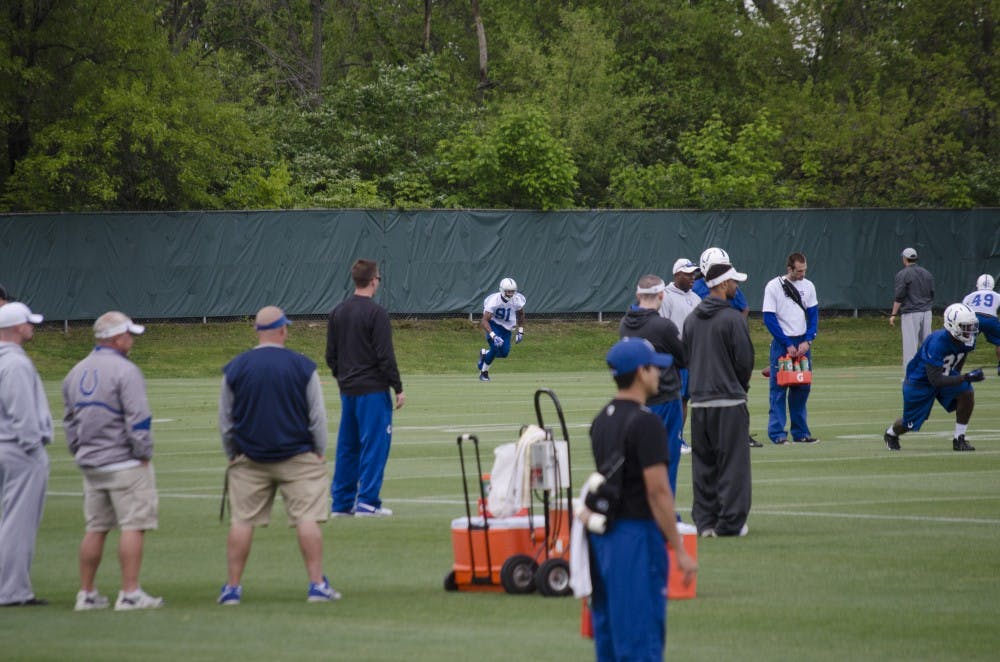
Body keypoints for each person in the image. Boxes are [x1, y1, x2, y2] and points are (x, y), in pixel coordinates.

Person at [586, 337, 697, 660]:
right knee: (640, 633)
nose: (660, 374)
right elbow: (658, 490)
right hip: (636, 535)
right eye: (654, 368)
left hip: (604, 538)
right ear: (639, 372)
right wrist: (679, 548)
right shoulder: (647, 422)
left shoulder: (600, 420)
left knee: (610, 633)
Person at [218, 306, 338, 604]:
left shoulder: (236, 367)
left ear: (257, 331)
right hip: (298, 456)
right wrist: (319, 452)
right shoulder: (302, 366)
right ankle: (315, 584)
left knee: (242, 521)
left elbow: (225, 419)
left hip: (249, 457)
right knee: (307, 518)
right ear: (283, 329)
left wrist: (232, 452)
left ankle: (232, 588)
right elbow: (317, 418)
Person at [62, 311, 164, 611]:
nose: (131, 340)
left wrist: (80, 451)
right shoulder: (126, 371)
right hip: (124, 462)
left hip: (91, 463)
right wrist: (143, 453)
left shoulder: (75, 371)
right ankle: (130, 592)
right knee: (133, 525)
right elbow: (139, 418)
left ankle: (87, 593)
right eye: (128, 335)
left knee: (95, 528)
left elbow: (69, 422)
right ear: (117, 338)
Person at [326, 260, 404, 517]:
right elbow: (385, 355)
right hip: (372, 390)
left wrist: (343, 378)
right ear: (373, 280)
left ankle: (341, 503)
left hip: (348, 390)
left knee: (347, 447)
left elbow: (331, 355)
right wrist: (397, 387)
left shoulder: (338, 311)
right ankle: (368, 502)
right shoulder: (376, 313)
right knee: (374, 445)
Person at [683, 263, 754, 537]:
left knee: (703, 467)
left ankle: (705, 522)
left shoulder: (691, 319)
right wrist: (738, 386)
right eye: (734, 282)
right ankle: (731, 522)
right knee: (733, 466)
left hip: (700, 404)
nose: (737, 286)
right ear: (722, 285)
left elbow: (687, 356)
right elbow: (744, 361)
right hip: (729, 403)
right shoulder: (733, 319)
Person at [0, 302, 53, 607]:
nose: (32, 326)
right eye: (28, 322)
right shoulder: (16, 364)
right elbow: (22, 413)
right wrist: (33, 446)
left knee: (10, 520)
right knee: (18, 523)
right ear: (18, 327)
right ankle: (13, 590)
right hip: (19, 449)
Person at [620, 274, 686, 501]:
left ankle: (642, 509)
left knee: (640, 459)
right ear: (661, 295)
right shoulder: (664, 326)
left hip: (636, 399)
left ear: (638, 295)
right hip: (665, 397)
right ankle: (665, 512)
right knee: (667, 458)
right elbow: (684, 357)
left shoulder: (625, 324)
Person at [884, 303, 983, 452]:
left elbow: (961, 355)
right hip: (920, 382)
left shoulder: (968, 339)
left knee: (966, 392)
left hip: (944, 374)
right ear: (952, 325)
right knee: (910, 423)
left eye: (971, 326)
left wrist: (957, 375)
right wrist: (964, 377)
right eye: (965, 326)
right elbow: (935, 380)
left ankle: (959, 438)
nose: (970, 331)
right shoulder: (937, 342)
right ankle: (891, 433)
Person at [762, 252, 820, 445]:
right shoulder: (774, 286)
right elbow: (769, 318)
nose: (803, 274)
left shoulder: (809, 286)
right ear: (790, 269)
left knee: (802, 388)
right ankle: (777, 433)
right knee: (779, 390)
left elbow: (813, 316)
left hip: (802, 342)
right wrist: (787, 343)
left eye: (805, 270)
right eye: (799, 271)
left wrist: (808, 340)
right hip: (782, 344)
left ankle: (801, 432)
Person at [659, 258, 701, 455]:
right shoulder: (666, 296)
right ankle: (668, 439)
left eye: (693, 274)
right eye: (687, 274)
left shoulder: (696, 298)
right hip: (673, 358)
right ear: (677, 275)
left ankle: (677, 437)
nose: (692, 277)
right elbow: (662, 328)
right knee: (672, 399)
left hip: (691, 358)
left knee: (684, 399)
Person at [890, 247, 935, 371]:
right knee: (927, 344)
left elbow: (899, 296)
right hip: (927, 312)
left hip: (911, 313)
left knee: (910, 346)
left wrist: (893, 314)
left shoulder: (903, 274)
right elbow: (932, 293)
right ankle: (930, 372)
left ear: (905, 259)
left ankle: (910, 376)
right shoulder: (927, 273)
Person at [476, 277, 526, 382]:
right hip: (494, 325)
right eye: (508, 291)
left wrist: (520, 331)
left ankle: (485, 353)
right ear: (502, 290)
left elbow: (521, 315)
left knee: (504, 353)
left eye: (513, 291)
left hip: (507, 328)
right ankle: (484, 373)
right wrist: (493, 335)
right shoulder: (494, 301)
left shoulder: (516, 300)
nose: (511, 294)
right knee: (495, 346)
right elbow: (484, 321)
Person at [692, 247, 750, 319]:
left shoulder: (729, 285)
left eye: (725, 266)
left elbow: (744, 308)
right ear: (705, 267)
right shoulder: (695, 289)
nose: (722, 270)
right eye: (718, 267)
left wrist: (739, 324)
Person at [961, 274, 1000, 372]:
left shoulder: (970, 296)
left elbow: (962, 310)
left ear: (978, 284)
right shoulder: (997, 295)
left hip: (974, 318)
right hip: (990, 319)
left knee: (965, 343)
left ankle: (957, 365)